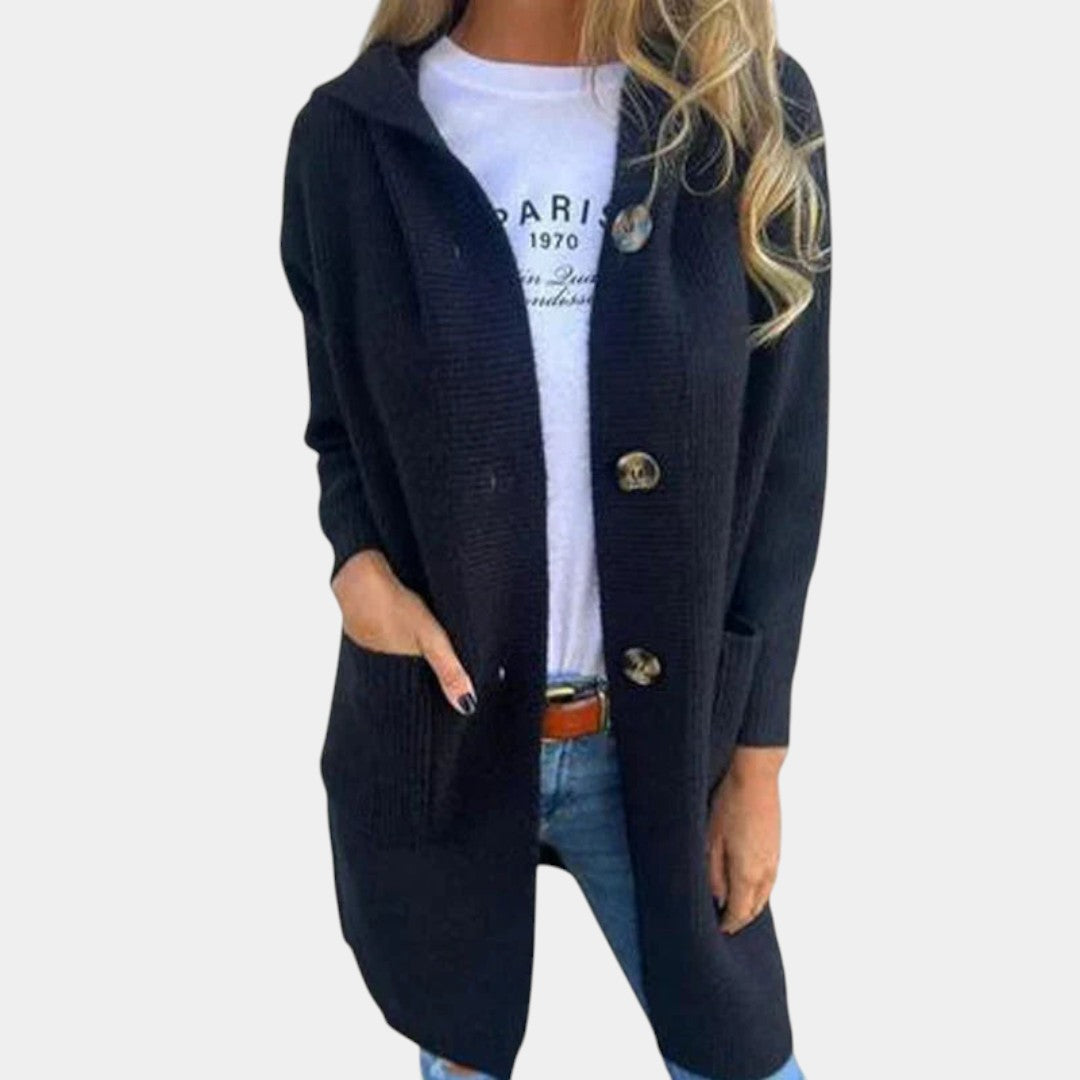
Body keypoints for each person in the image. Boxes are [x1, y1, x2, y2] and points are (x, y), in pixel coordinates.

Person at [279, 1, 830, 1077]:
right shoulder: (352, 138)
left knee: (747, 1060)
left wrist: (758, 765)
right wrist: (357, 568)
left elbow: (788, 459)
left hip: (667, 749)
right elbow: (341, 424)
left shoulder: (745, 111)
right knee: (459, 1045)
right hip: (443, 740)